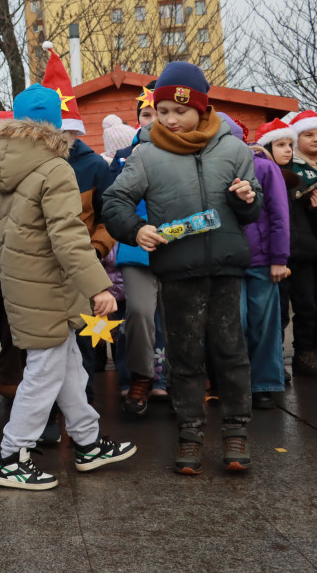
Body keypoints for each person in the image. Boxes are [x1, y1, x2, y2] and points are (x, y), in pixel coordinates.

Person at [103, 61, 262, 474]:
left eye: (180, 111)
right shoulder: (146, 155)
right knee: (185, 354)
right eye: (163, 111)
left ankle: (235, 431)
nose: (171, 120)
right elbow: (114, 203)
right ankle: (190, 434)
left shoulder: (233, 149)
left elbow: (253, 209)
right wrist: (137, 230)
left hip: (227, 268)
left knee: (231, 352)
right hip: (176, 270)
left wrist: (248, 197)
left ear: (202, 109)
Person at [0, 85, 136, 490]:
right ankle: (11, 457)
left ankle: (87, 442)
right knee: (44, 374)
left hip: (25, 284)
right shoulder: (55, 169)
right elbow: (68, 235)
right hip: (49, 287)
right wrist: (98, 285)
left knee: (67, 366)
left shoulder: (0, 165)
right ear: (60, 125)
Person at [110, 83, 169, 413]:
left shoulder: (191, 152)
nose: (156, 120)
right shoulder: (124, 157)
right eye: (148, 114)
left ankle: (173, 379)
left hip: (182, 246)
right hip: (137, 248)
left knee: (177, 317)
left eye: (161, 113)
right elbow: (115, 204)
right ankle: (140, 377)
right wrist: (136, 229)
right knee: (140, 314)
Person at [245, 120, 292, 408]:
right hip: (227, 259)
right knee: (234, 324)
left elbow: (279, 214)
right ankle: (236, 383)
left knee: (263, 323)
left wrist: (279, 258)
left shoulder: (263, 167)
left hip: (261, 259)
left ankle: (262, 384)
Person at [286, 109, 317, 376]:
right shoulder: (292, 169)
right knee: (306, 304)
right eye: (309, 135)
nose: (315, 140)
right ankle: (305, 352)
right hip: (302, 248)